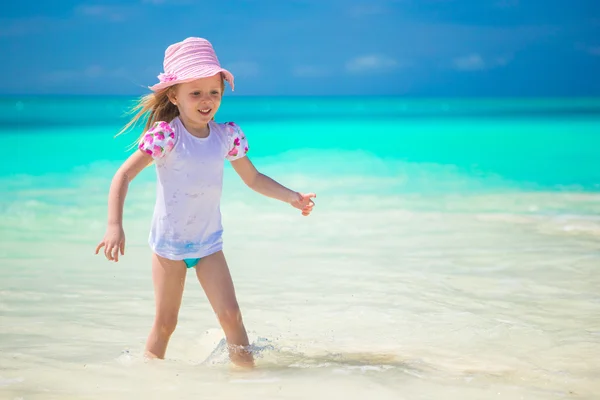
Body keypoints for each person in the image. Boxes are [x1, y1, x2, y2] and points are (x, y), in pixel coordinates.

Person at [95, 37, 316, 368]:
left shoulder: (227, 136)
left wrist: (292, 198)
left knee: (232, 316)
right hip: (169, 249)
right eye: (195, 93)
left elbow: (253, 178)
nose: (206, 100)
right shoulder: (166, 135)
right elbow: (123, 176)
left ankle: (248, 382)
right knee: (166, 324)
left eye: (213, 92)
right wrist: (114, 226)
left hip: (209, 244)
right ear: (174, 95)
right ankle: (150, 384)